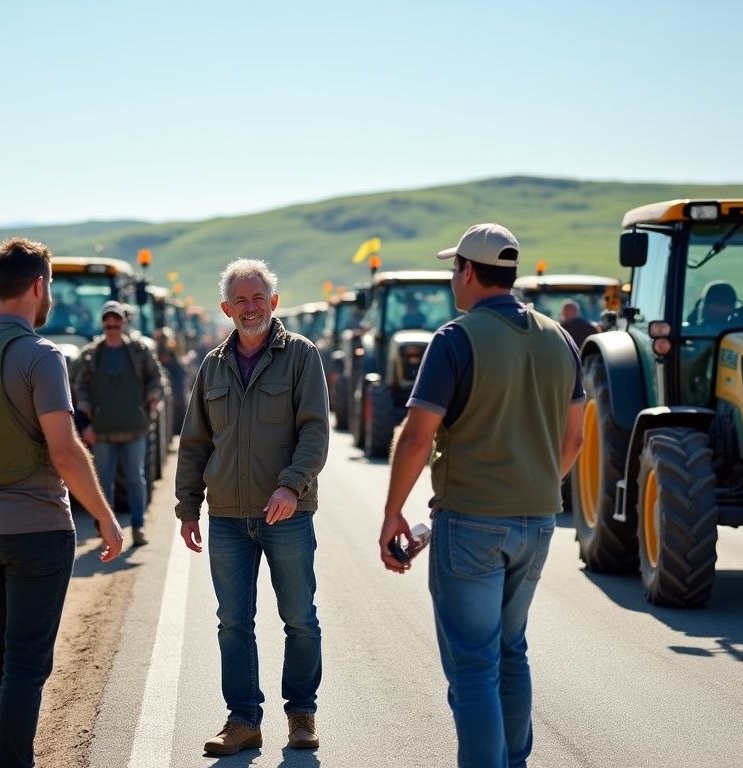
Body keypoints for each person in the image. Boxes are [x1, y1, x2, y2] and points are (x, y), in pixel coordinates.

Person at [379, 223, 584, 768]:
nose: (453, 279)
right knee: (510, 653)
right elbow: (575, 439)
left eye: (454, 270)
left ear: (468, 271)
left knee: (473, 667)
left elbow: (418, 435)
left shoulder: (455, 339)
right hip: (538, 522)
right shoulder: (561, 339)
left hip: (470, 524)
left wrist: (393, 511)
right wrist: (534, 485)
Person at [0, 237, 124, 768]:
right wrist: (106, 520)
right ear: (39, 286)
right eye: (51, 289)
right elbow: (65, 454)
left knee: (1, 650)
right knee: (26, 663)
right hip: (38, 532)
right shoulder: (42, 357)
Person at [176, 259, 330, 756]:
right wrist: (186, 508)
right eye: (240, 300)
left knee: (299, 618)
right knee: (233, 622)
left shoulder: (302, 356)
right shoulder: (212, 366)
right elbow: (195, 441)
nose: (250, 307)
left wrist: (290, 486)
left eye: (258, 297)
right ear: (226, 309)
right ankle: (243, 720)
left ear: (274, 302)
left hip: (287, 513)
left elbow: (314, 432)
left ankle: (301, 713)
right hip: (225, 517)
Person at [72, 300, 163, 548]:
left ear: (123, 322)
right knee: (103, 484)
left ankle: (138, 526)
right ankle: (105, 531)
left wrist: (153, 396)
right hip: (102, 432)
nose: (112, 326)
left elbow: (156, 377)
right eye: (108, 323)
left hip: (135, 428)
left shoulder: (139, 351)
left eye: (116, 322)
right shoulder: (91, 355)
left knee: (136, 479)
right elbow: (80, 388)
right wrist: (86, 422)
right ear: (103, 324)